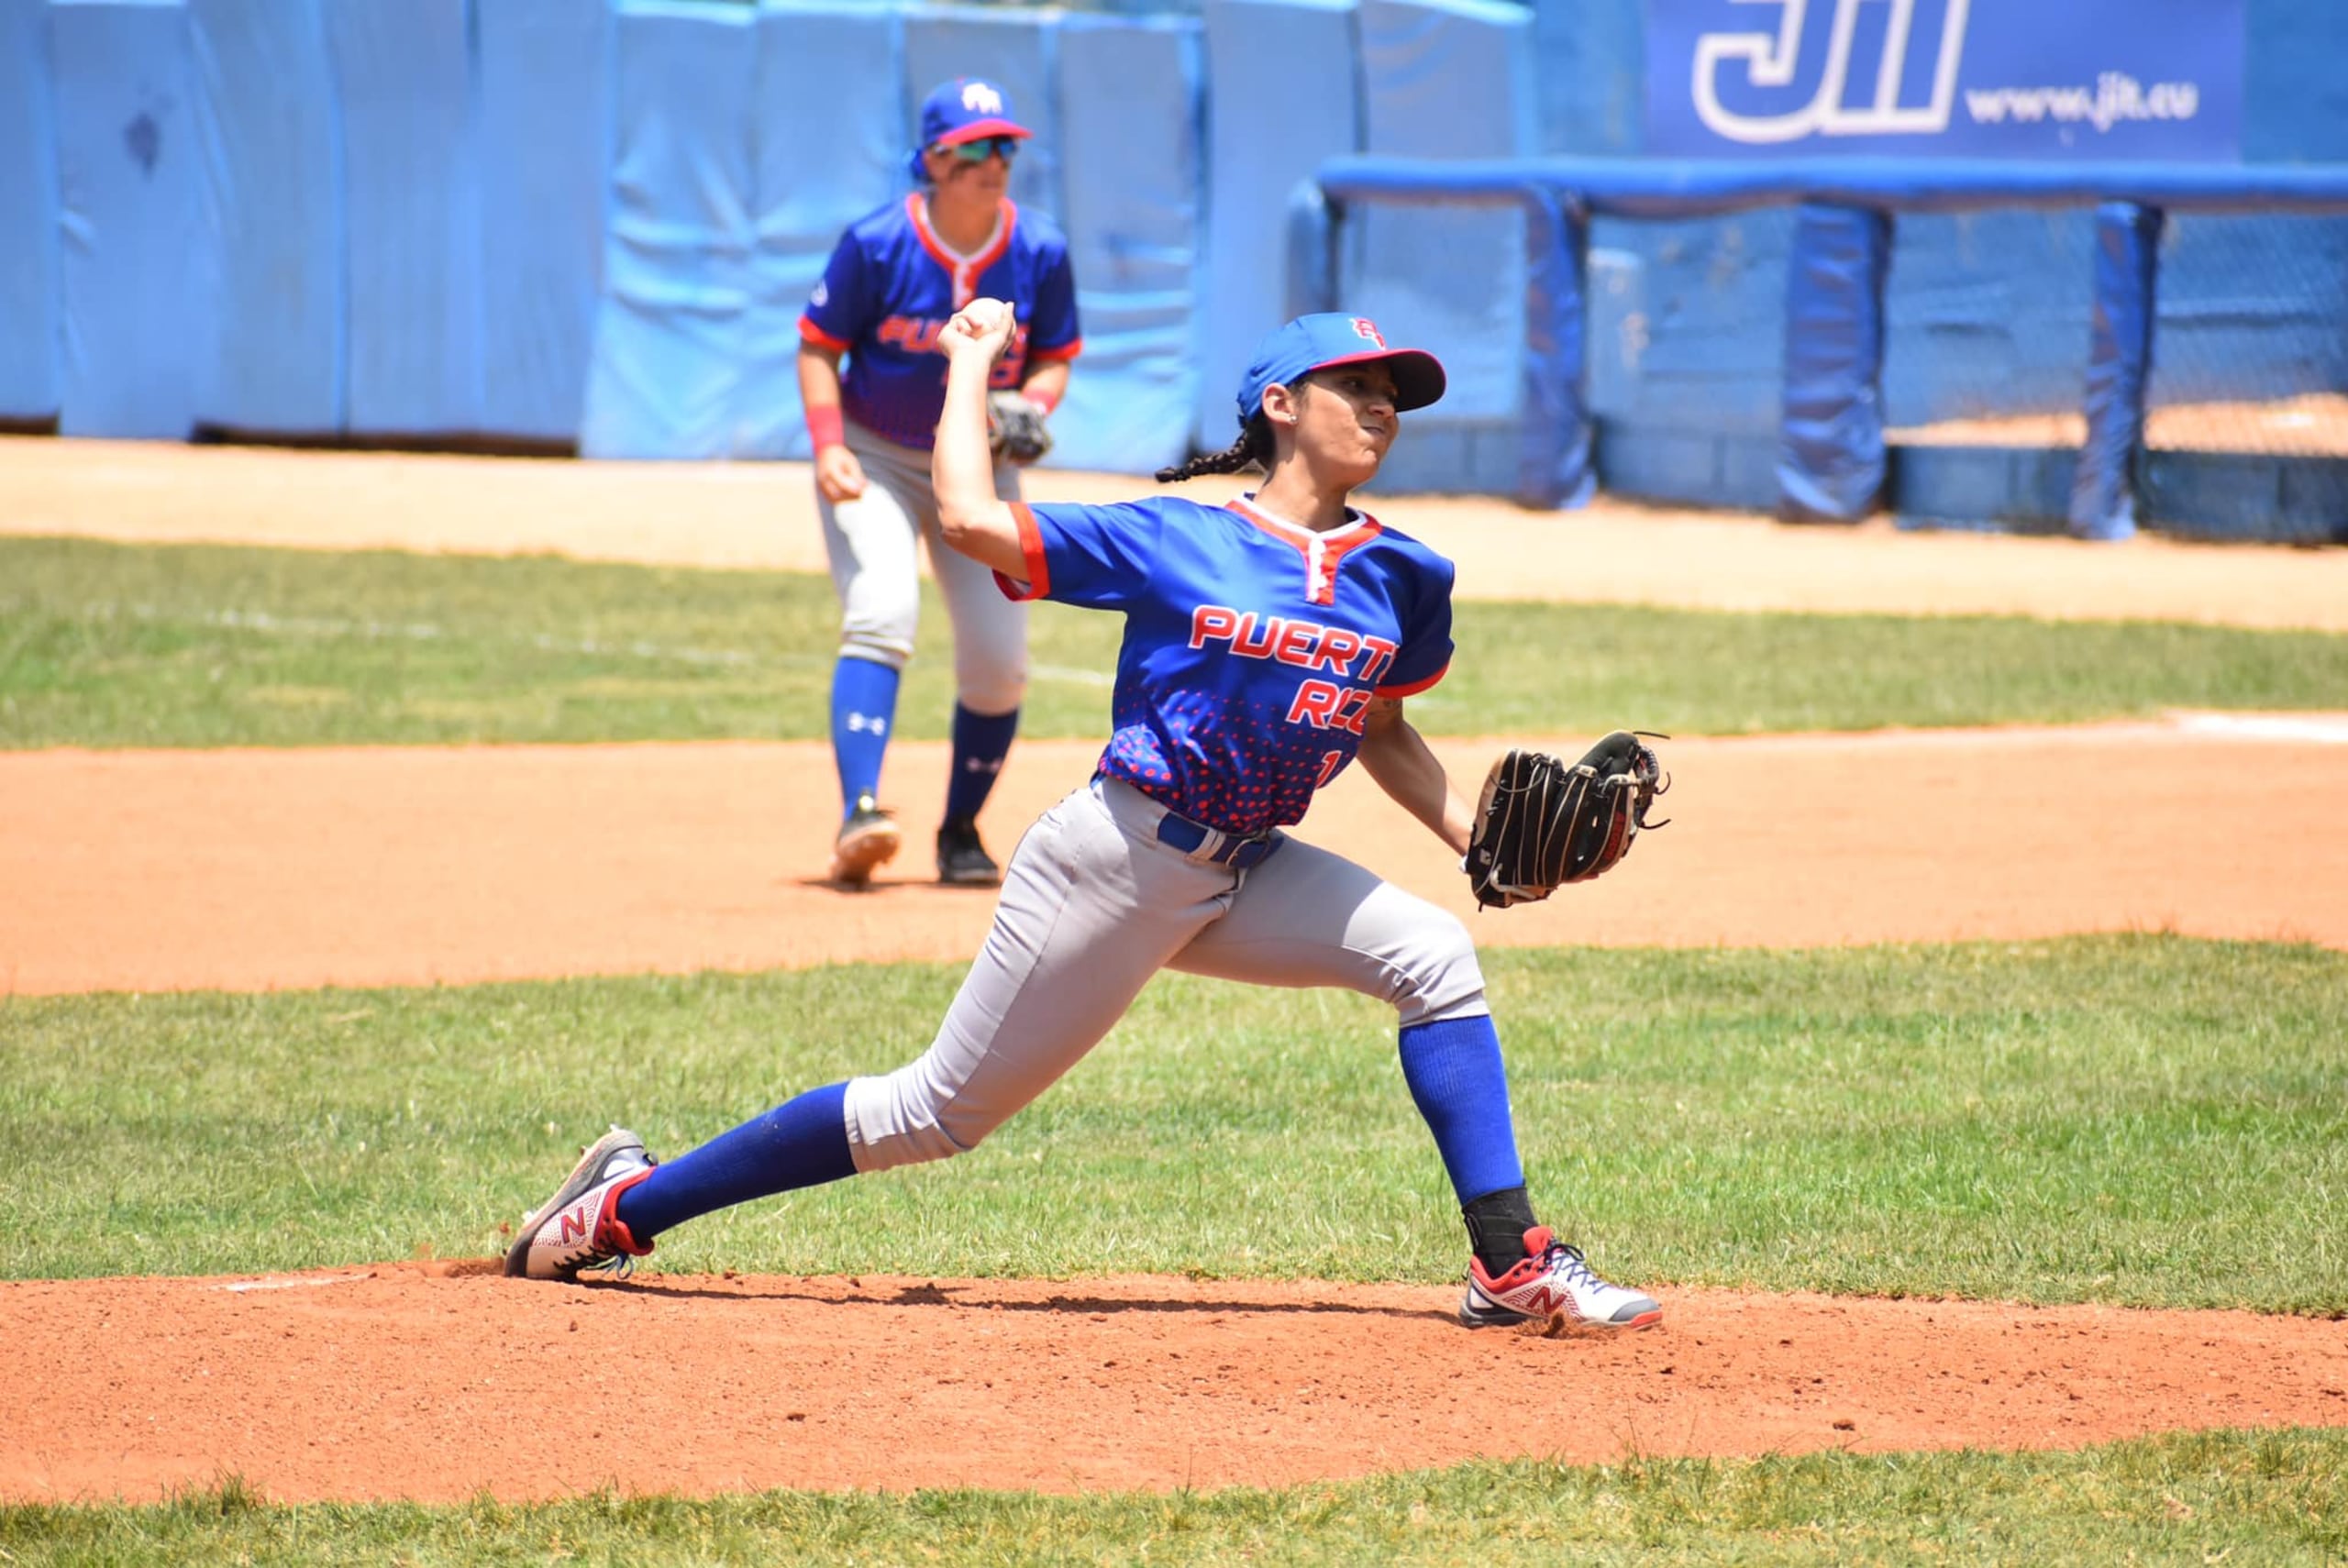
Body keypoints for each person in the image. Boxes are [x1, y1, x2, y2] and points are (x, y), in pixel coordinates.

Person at [506, 304, 1662, 1338]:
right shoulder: (1178, 539)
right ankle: (621, 1207)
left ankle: (1508, 1262)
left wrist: (1475, 843)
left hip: (1247, 869)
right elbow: (964, 518)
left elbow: (1372, 725)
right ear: (1277, 405)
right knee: (934, 1114)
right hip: (1115, 859)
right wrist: (966, 365)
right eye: (1354, 386)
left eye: (1392, 395)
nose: (1379, 407)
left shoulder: (1404, 572)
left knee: (1433, 957)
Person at [796, 76, 1081, 888]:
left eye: (1006, 148)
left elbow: (1056, 355)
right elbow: (819, 346)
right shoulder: (878, 241)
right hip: (876, 453)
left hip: (980, 472)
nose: (996, 163)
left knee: (1000, 663)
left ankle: (961, 832)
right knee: (882, 610)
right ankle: (861, 813)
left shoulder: (1041, 250)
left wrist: (1032, 401)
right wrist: (827, 446)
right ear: (934, 160)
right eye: (976, 149)